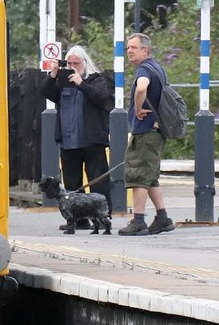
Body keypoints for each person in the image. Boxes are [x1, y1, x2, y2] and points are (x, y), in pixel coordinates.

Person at [42, 45, 114, 227]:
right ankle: (78, 220)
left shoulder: (96, 79)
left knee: (98, 180)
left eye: (76, 63)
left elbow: (101, 97)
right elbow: (47, 93)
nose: (73, 66)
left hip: (91, 140)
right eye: (70, 63)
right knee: (72, 182)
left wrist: (81, 83)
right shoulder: (62, 82)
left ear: (84, 63)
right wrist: (53, 76)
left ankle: (104, 216)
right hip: (68, 140)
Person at [117, 33, 176, 236]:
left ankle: (138, 221)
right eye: (128, 48)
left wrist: (138, 107)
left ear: (145, 50)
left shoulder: (144, 69)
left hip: (146, 130)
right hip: (156, 131)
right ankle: (163, 218)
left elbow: (141, 87)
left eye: (133, 47)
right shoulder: (157, 68)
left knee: (138, 175)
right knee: (150, 177)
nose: (129, 51)